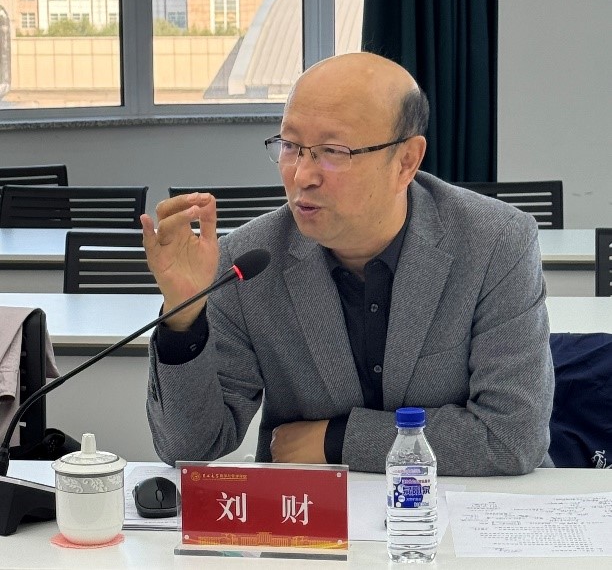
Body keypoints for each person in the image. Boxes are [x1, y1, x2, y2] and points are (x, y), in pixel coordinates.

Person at [141, 52, 554, 476]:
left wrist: (335, 441)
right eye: (290, 146)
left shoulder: (494, 243)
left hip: (462, 505)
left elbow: (511, 437)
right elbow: (190, 447)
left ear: (406, 162)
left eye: (332, 151)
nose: (302, 175)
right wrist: (184, 317)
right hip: (309, 508)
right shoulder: (249, 261)